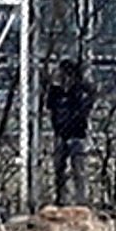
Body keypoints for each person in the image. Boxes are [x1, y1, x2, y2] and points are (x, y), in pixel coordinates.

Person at [46, 57, 96, 205]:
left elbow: (89, 101)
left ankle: (81, 201)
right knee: (59, 170)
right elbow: (49, 106)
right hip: (60, 134)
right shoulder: (55, 92)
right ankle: (61, 199)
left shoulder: (79, 92)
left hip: (76, 134)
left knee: (78, 170)